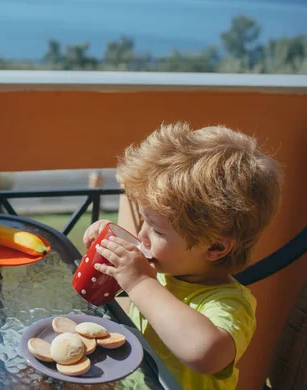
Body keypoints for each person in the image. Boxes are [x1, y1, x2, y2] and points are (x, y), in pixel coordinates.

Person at [83, 122, 282, 389]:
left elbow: (204, 353)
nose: (142, 236)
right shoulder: (169, 269)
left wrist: (140, 283)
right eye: (143, 221)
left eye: (156, 230)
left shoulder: (230, 303)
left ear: (215, 248)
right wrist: (113, 250)